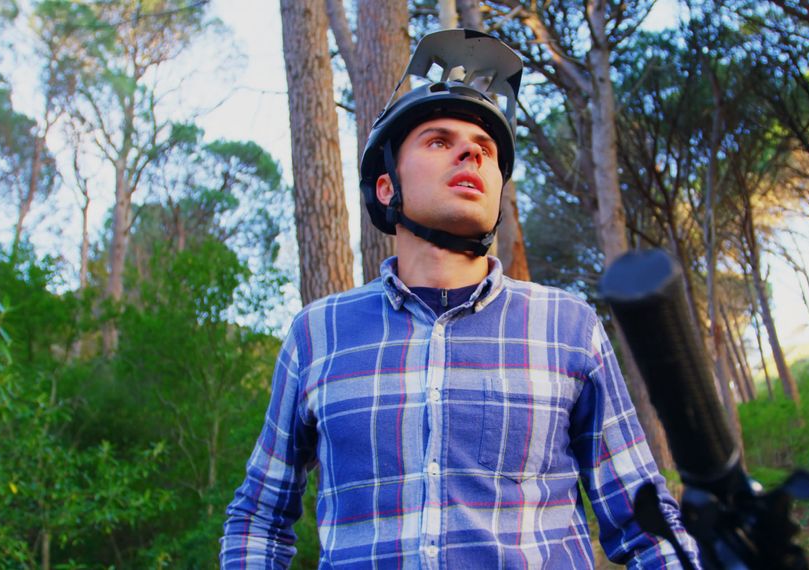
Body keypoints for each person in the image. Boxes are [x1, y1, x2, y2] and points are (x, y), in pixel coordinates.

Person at [220, 29, 698, 569]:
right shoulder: (317, 334)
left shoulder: (568, 327)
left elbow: (648, 525)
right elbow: (258, 518)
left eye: (485, 149)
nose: (470, 150)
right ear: (386, 186)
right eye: (439, 141)